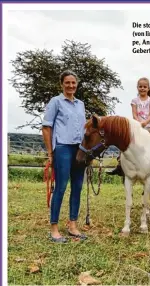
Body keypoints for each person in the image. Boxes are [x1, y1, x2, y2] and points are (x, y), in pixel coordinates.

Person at [42, 70, 87, 243]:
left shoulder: (80, 104)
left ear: (77, 84)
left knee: (77, 187)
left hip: (79, 149)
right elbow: (46, 127)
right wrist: (50, 152)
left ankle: (73, 225)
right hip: (62, 148)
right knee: (61, 187)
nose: (71, 85)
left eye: (73, 82)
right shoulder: (56, 102)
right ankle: (54, 228)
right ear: (62, 84)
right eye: (67, 82)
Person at [108, 77, 150, 176]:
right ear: (137, 88)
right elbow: (134, 114)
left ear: (148, 88)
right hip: (137, 126)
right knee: (124, 140)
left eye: (145, 87)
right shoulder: (134, 101)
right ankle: (119, 164)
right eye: (140, 87)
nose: (142, 88)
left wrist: (145, 122)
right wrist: (139, 122)